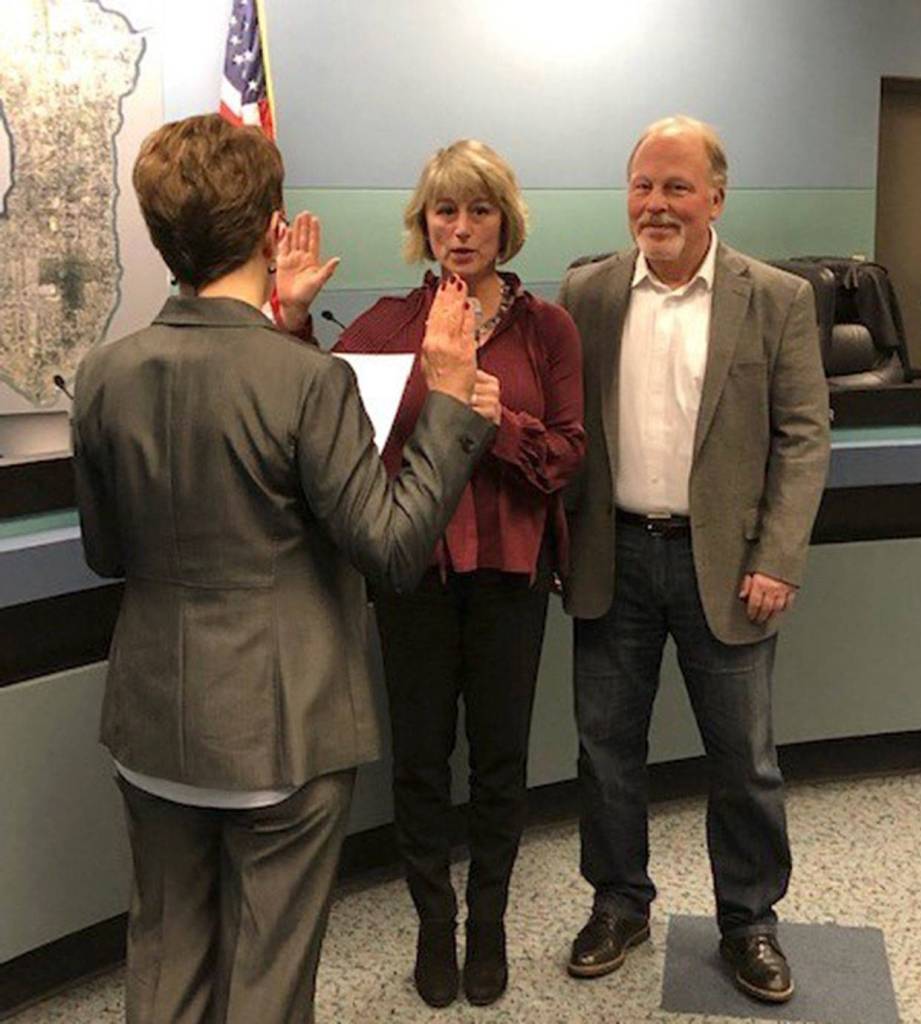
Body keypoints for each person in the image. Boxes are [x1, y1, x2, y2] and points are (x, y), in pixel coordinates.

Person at [71, 113, 494, 1024]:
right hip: (281, 735)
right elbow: (392, 548)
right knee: (265, 982)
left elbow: (106, 554)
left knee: (164, 962)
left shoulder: (105, 372)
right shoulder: (307, 380)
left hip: (151, 724)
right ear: (272, 228)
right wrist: (452, 403)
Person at [558, 115, 830, 1004]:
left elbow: (802, 437)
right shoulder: (587, 292)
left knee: (743, 760)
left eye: (676, 186)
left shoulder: (775, 298)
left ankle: (748, 921)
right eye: (642, 185)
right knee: (605, 750)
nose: (656, 203)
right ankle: (617, 903)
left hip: (729, 569)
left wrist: (778, 556)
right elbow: (566, 429)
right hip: (613, 560)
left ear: (715, 196)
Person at [324, 139, 584, 1007]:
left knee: (500, 761)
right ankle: (433, 925)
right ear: (424, 224)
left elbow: (568, 456)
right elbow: (318, 417)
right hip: (417, 577)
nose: (461, 228)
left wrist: (497, 421)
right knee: (420, 761)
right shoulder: (386, 326)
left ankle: (489, 924)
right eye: (445, 211)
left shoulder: (548, 330)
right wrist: (288, 319)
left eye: (479, 210)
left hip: (511, 575)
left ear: (505, 223)